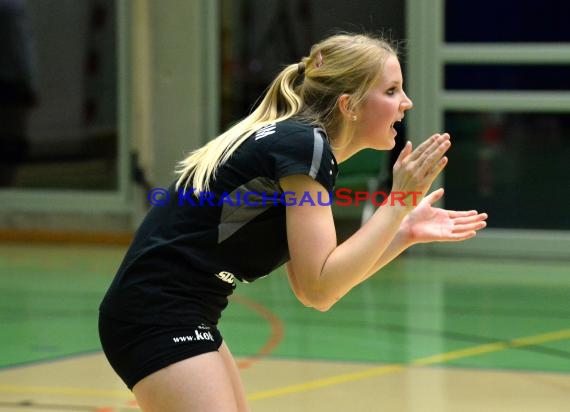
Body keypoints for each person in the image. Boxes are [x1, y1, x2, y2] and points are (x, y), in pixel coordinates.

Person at [99, 33, 487, 411]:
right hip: (156, 313)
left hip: (179, 311)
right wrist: (398, 202)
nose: (406, 102)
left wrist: (402, 232)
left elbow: (310, 287)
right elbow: (320, 288)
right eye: (391, 91)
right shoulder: (305, 145)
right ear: (349, 105)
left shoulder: (299, 145)